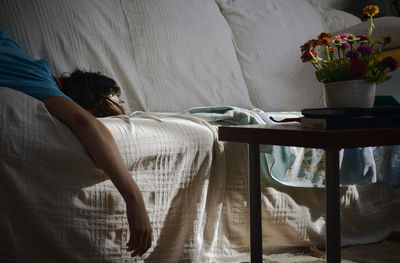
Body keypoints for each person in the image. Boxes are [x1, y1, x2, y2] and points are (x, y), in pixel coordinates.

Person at [0, 27, 152, 257]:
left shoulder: (14, 52)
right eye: (99, 109)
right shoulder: (37, 77)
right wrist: (134, 199)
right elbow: (82, 122)